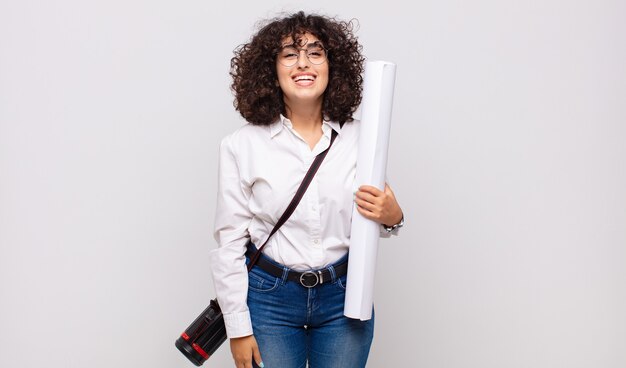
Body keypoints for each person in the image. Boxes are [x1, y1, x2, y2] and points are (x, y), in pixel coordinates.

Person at [209, 11, 404, 368]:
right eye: (289, 53)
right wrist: (237, 328)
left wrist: (393, 217)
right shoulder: (240, 146)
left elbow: (372, 215)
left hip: (344, 296)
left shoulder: (364, 137)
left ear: (333, 65)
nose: (304, 63)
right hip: (270, 300)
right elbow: (229, 243)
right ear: (272, 68)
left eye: (316, 52)